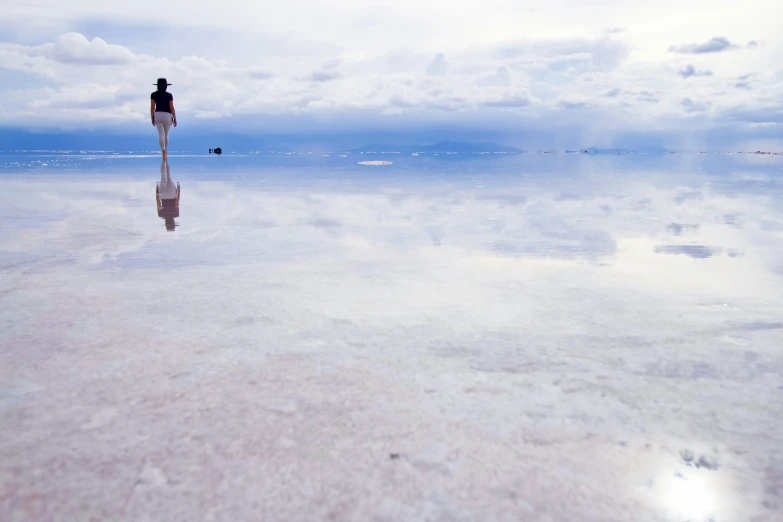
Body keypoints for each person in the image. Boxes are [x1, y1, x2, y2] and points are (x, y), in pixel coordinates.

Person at [150, 78, 177, 157]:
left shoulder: (153, 94)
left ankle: (163, 151)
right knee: (166, 134)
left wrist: (152, 117)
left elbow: (152, 107)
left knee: (161, 134)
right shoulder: (169, 95)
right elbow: (172, 108)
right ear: (166, 86)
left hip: (158, 114)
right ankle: (166, 151)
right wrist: (175, 118)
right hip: (167, 115)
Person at [156, 158, 180, 231]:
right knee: (163, 175)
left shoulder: (176, 214)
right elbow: (158, 202)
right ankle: (164, 161)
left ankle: (165, 160)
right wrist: (157, 191)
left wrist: (178, 190)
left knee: (169, 175)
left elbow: (177, 202)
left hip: (172, 195)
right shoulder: (161, 215)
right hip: (163, 196)